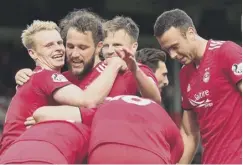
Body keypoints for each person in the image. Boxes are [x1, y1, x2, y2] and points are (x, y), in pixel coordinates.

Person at [0, 20, 125, 164]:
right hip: (28, 156)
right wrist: (113, 65)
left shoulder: (37, 77)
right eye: (49, 45)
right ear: (33, 53)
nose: (58, 48)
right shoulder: (45, 76)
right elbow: (88, 100)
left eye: (59, 43)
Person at [154, 8, 242, 164]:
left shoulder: (226, 52)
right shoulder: (185, 74)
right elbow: (189, 134)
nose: (172, 55)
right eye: (167, 50)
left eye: (175, 46)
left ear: (190, 33)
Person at [15, 10, 161, 103]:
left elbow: (154, 98)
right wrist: (25, 76)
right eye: (70, 46)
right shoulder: (61, 79)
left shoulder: (127, 70)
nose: (74, 54)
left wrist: (135, 69)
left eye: (82, 47)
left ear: (98, 47)